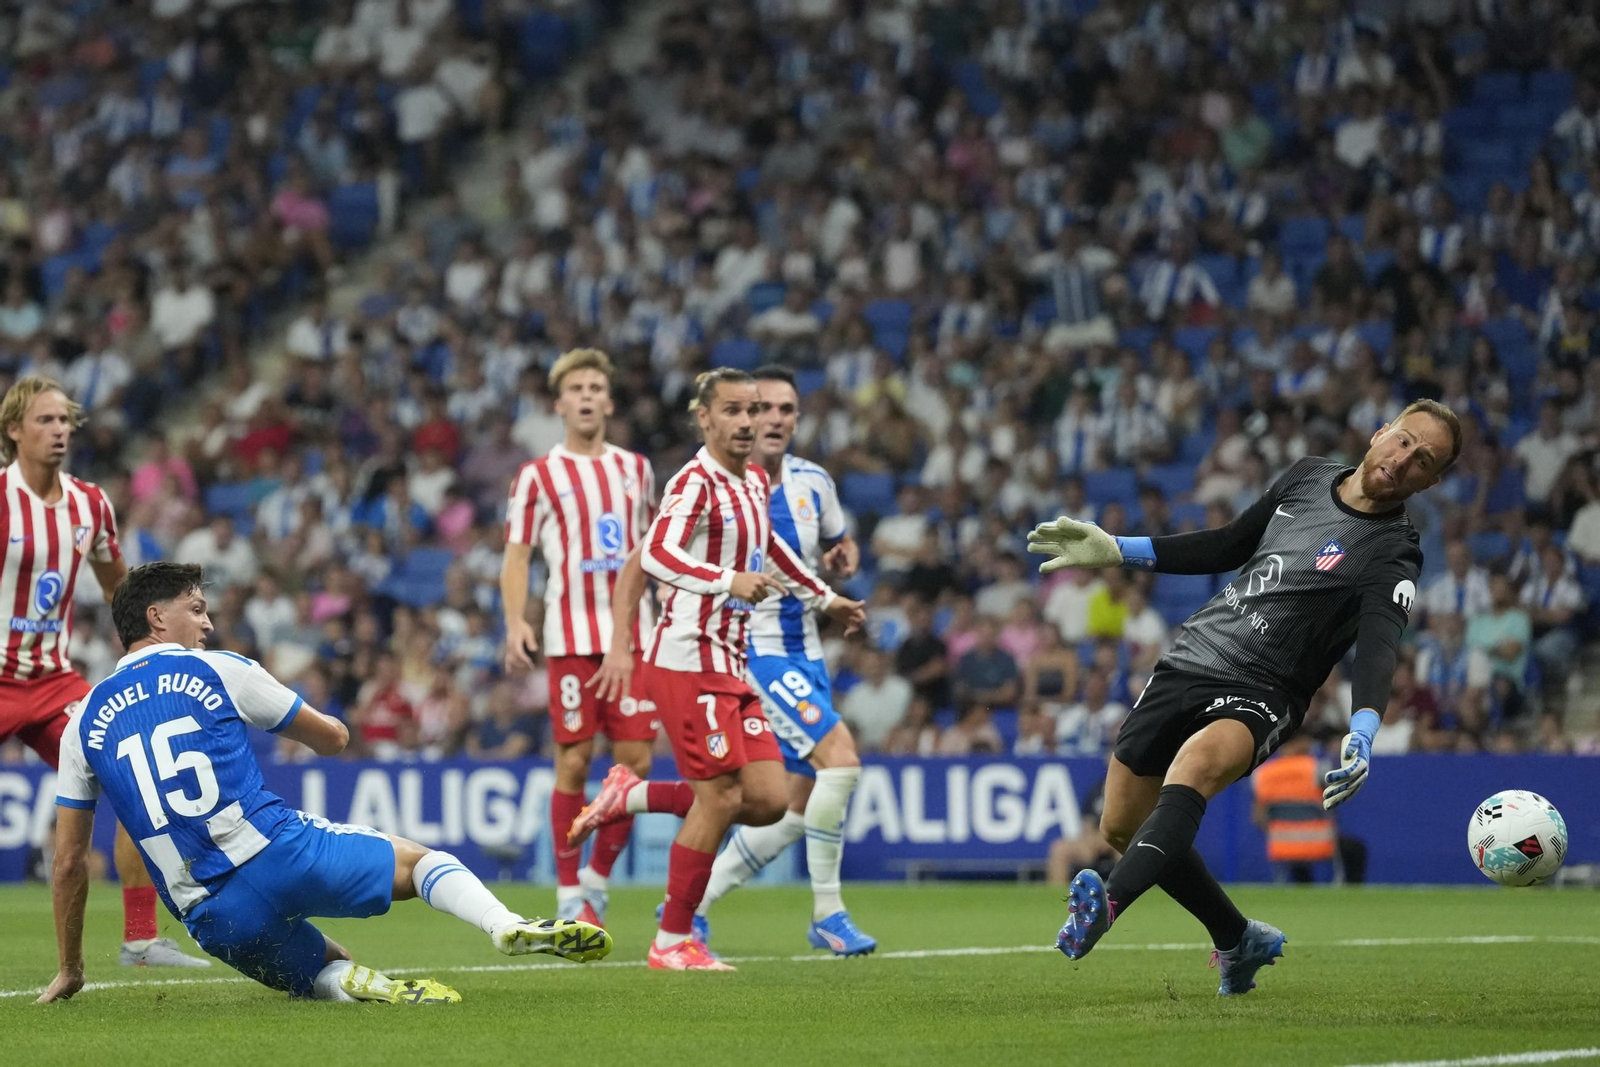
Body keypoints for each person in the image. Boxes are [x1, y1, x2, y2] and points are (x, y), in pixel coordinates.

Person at [1028, 400, 1459, 995]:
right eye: (1404, 440)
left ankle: (1109, 904)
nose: (1405, 458)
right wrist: (1117, 549)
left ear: (1431, 482)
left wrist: (1362, 728)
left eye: (1424, 460)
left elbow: (1379, 645)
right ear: (1381, 432)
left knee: (1195, 768)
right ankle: (1238, 938)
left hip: (1266, 688)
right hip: (1191, 658)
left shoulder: (1392, 551)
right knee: (1123, 827)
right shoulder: (1309, 475)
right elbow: (1230, 545)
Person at [37, 562, 610, 1005]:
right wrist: (328, 725)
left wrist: (71, 968)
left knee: (322, 964)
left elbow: (67, 862)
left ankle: (359, 983)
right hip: (275, 850)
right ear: (157, 618)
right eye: (196, 608)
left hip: (209, 913)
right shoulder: (220, 669)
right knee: (418, 863)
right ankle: (506, 924)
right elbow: (331, 739)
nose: (208, 623)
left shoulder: (81, 722)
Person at [568, 369, 864, 971]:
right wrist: (728, 580)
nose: (749, 423)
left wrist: (823, 598)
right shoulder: (694, 483)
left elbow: (774, 551)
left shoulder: (754, 478)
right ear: (704, 418)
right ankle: (673, 939)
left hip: (731, 663)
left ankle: (632, 794)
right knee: (721, 796)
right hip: (685, 660)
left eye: (753, 411)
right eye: (733, 411)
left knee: (768, 800)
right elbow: (654, 552)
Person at [0, 377, 208, 969]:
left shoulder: (90, 504)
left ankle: (141, 937)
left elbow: (118, 586)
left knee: (135, 781)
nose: (60, 430)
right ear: (14, 430)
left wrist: (149, 647)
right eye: (45, 420)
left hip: (52, 681)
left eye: (65, 420)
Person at [685, 365, 875, 956]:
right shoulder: (716, 483)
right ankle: (828, 912)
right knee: (840, 761)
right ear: (737, 415)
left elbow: (838, 546)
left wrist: (843, 560)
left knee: (793, 804)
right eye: (759, 407)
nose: (772, 419)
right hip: (754, 651)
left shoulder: (814, 481)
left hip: (807, 652)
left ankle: (690, 906)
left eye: (785, 409)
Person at [501, 348, 657, 930]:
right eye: (577, 388)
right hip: (570, 637)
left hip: (634, 635)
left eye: (597, 386)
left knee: (633, 766)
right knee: (574, 760)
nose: (588, 395)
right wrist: (518, 620)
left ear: (609, 401)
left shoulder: (636, 470)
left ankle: (597, 882)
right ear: (560, 403)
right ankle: (570, 891)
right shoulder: (538, 475)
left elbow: (651, 550)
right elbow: (516, 556)